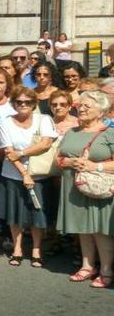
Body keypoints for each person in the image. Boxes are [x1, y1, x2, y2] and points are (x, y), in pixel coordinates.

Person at [55, 91, 114, 288]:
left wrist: (94, 166)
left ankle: (106, 270)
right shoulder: (72, 132)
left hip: (99, 186)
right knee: (83, 228)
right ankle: (87, 266)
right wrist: (67, 161)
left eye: (87, 106)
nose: (81, 108)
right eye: (80, 105)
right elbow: (58, 158)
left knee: (100, 230)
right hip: (74, 186)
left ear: (101, 111)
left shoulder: (109, 132)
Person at [0, 87, 58, 268]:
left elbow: (45, 144)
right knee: (14, 215)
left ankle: (36, 250)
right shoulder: (7, 122)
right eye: (19, 102)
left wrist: (21, 152)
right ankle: (17, 249)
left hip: (39, 175)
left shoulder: (44, 119)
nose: (23, 105)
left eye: (27, 102)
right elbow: (8, 152)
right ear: (14, 103)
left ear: (34, 103)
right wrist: (24, 173)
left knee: (37, 215)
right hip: (12, 175)